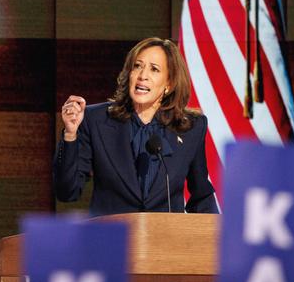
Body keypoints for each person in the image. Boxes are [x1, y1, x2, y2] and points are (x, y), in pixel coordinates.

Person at [53, 37, 218, 216]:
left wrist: (213, 239)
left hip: (164, 240)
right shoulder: (96, 120)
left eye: (154, 69)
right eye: (137, 66)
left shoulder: (191, 128)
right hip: (111, 239)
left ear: (169, 84)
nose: (142, 76)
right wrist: (70, 135)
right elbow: (67, 192)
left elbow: (202, 196)